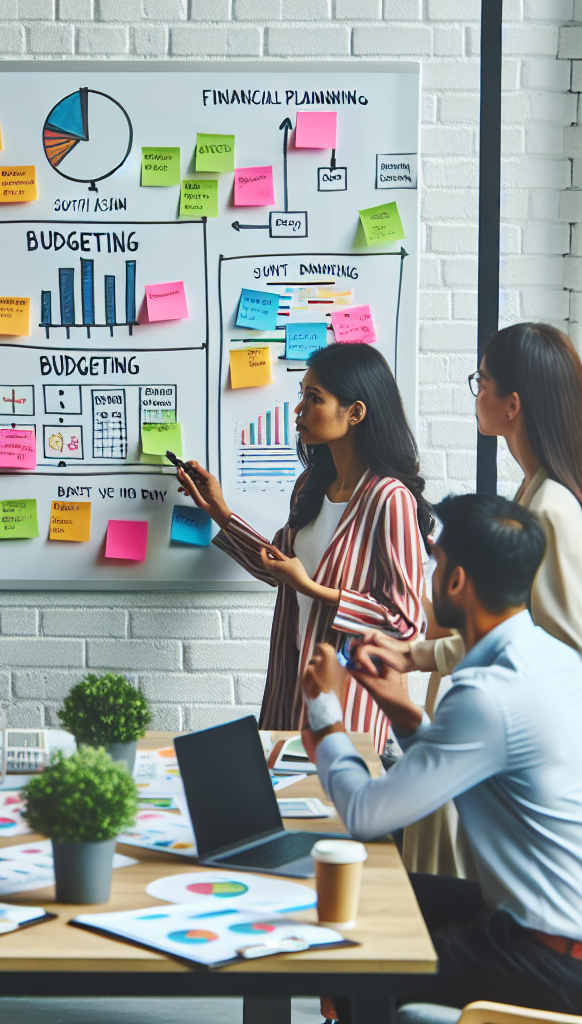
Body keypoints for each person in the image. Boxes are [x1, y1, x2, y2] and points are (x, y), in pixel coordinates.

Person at [301, 493, 582, 1013]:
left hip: (551, 956)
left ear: (456, 582)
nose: (428, 576)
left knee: (365, 961)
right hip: (542, 919)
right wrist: (403, 713)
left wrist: (325, 714)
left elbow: (365, 814)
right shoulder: (552, 658)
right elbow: (475, 763)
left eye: (437, 561)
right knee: (368, 889)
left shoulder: (486, 694)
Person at [177, 343, 430, 753]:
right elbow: (275, 566)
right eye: (302, 395)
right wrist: (219, 511)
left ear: (355, 412)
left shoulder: (389, 499)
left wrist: (314, 590)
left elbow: (404, 622)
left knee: (330, 814)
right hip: (291, 683)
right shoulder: (310, 485)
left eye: (313, 398)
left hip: (350, 701)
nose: (298, 410)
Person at [402, 322, 582, 879]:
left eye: (482, 378)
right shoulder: (532, 491)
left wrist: (429, 654)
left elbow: (556, 651)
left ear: (513, 404)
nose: (475, 390)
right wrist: (420, 654)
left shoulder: (551, 508)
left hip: (497, 757)